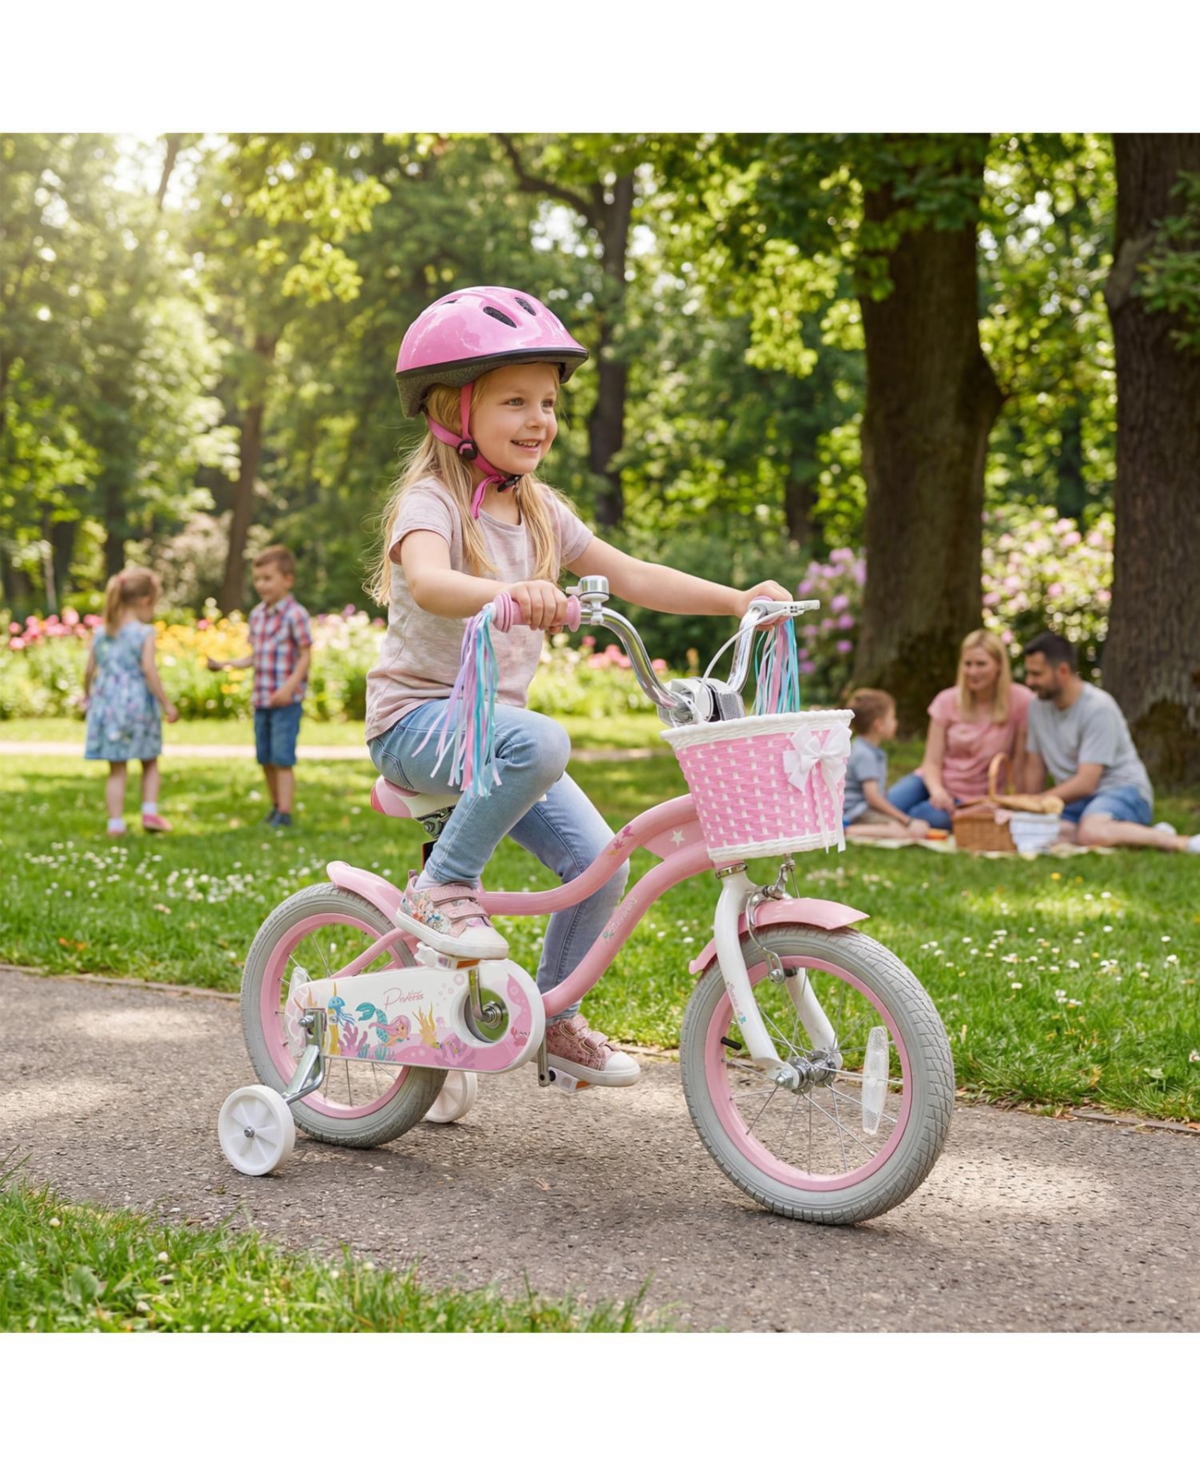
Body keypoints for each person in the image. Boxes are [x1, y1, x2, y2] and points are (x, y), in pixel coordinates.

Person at [366, 285, 793, 1087]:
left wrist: (738, 600)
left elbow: (633, 575)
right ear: (453, 410)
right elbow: (427, 581)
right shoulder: (430, 501)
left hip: (495, 737)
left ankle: (554, 1018)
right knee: (544, 741)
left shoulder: (541, 512)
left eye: (549, 403)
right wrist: (507, 594)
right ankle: (439, 889)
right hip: (416, 723)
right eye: (515, 402)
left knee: (602, 861)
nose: (539, 420)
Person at [1021, 630, 1199, 853]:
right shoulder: (1036, 708)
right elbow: (1035, 766)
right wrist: (1028, 810)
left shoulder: (1097, 708)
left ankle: (1179, 842)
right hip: (1078, 800)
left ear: (1063, 671)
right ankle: (1135, 834)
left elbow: (1087, 781)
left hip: (1123, 790)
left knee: (1091, 832)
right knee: (1040, 835)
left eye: (1036, 674)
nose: (1029, 681)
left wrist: (1039, 800)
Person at [208, 546, 312, 828]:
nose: (261, 585)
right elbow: (254, 656)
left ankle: (285, 813)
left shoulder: (295, 615)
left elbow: (305, 655)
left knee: (282, 758)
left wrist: (289, 688)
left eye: (268, 578)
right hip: (262, 700)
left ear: (287, 580)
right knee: (265, 757)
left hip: (286, 702)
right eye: (258, 579)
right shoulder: (257, 615)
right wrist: (226, 664)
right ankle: (276, 807)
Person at [889, 629, 1034, 831]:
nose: (973, 672)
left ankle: (900, 824)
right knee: (889, 803)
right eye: (968, 664)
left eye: (981, 664)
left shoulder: (1020, 701)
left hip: (976, 797)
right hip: (933, 782)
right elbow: (931, 762)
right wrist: (937, 791)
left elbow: (1019, 763)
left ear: (999, 665)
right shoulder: (946, 700)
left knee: (928, 817)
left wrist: (1012, 802)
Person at [83, 567, 179, 837]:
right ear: (146, 601)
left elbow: (89, 670)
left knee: (116, 768)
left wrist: (87, 695)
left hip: (108, 706)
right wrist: (166, 703)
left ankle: (115, 824)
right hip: (138, 706)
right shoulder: (144, 632)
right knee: (149, 760)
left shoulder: (102, 632)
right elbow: (149, 669)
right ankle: (149, 813)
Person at [842, 689, 931, 840]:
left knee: (900, 826)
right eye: (892, 718)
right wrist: (907, 821)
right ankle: (847, 831)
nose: (896, 722)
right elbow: (872, 797)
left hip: (863, 809)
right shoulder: (865, 755)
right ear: (879, 725)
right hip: (856, 812)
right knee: (899, 830)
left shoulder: (867, 749)